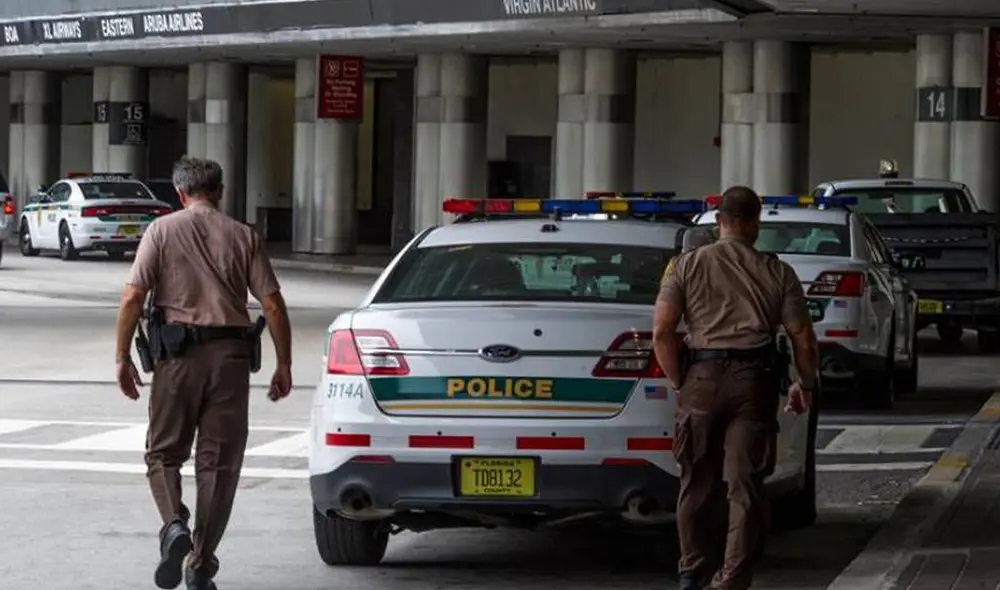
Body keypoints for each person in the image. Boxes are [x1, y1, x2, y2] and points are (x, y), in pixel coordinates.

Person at [113, 155, 294, 590]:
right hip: (230, 361)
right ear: (220, 192)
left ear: (180, 193)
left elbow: (133, 297)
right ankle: (199, 564)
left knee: (163, 454)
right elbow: (271, 304)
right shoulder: (244, 235)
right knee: (220, 465)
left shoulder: (161, 231)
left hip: (176, 360)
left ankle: (174, 525)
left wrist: (121, 356)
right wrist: (284, 363)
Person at [652, 185, 819, 590]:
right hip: (753, 383)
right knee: (745, 484)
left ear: (719, 220)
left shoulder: (685, 266)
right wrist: (805, 384)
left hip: (701, 379)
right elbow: (803, 338)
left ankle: (692, 573)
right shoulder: (778, 272)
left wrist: (680, 382)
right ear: (755, 222)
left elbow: (661, 333)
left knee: (697, 479)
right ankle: (731, 578)